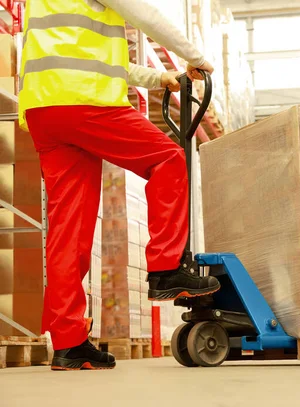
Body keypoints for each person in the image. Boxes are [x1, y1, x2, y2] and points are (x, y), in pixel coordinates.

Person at [18, 0, 221, 371]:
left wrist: (158, 78)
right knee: (168, 159)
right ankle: (165, 269)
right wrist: (196, 57)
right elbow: (145, 14)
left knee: (69, 227)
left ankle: (69, 344)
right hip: (84, 100)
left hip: (44, 109)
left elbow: (97, 63)